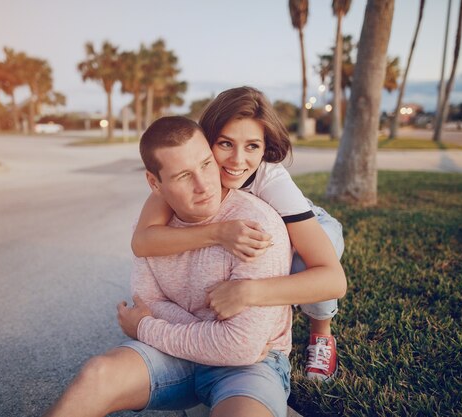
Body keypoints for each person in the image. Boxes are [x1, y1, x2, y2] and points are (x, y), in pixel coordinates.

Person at [44, 116, 293, 417]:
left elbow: (239, 348)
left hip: (250, 366)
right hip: (173, 355)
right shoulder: (152, 232)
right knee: (97, 374)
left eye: (205, 164)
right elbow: (148, 301)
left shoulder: (255, 227)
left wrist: (145, 327)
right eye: (183, 176)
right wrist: (216, 335)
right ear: (155, 183)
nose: (203, 185)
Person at [131, 86, 347, 381]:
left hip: (311, 223)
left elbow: (333, 280)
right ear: (206, 141)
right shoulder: (187, 173)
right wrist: (218, 233)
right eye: (225, 144)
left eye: (252, 146)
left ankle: (322, 334)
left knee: (303, 266)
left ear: (264, 148)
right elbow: (143, 241)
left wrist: (249, 292)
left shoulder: (272, 180)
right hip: (255, 231)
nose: (236, 160)